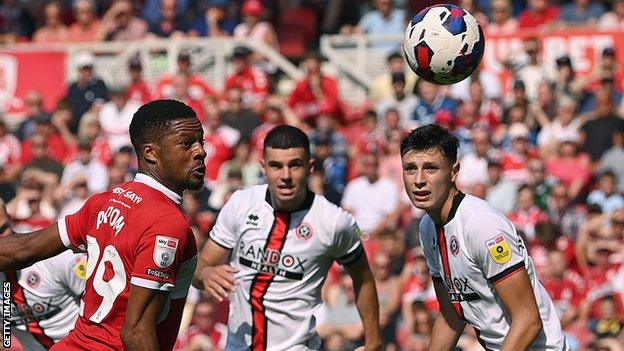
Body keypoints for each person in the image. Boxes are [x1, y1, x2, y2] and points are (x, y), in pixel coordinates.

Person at [0, 99, 207, 350]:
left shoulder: (103, 202)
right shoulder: (167, 224)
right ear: (151, 153)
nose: (200, 151)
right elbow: (136, 332)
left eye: (201, 141)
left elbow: (23, 249)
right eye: (187, 143)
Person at [193, 125, 382, 351]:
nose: (285, 176)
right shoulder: (240, 203)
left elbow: (363, 279)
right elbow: (200, 268)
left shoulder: (334, 222)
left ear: (310, 167)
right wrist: (205, 273)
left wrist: (373, 343)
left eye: (294, 165)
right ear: (263, 167)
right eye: (276, 166)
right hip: (238, 346)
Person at [400, 124, 567, 350]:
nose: (419, 179)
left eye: (430, 168)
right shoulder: (427, 227)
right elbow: (451, 314)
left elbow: (528, 320)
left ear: (454, 171)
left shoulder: (481, 224)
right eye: (410, 168)